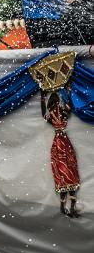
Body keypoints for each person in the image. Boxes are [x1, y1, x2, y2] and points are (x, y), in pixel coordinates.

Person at [41, 87, 80, 217]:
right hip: (64, 142)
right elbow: (69, 106)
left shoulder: (50, 114)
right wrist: (68, 92)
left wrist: (42, 98)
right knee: (70, 171)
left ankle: (63, 207)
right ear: (57, 101)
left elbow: (44, 115)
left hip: (57, 143)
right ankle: (72, 208)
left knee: (62, 173)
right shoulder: (62, 112)